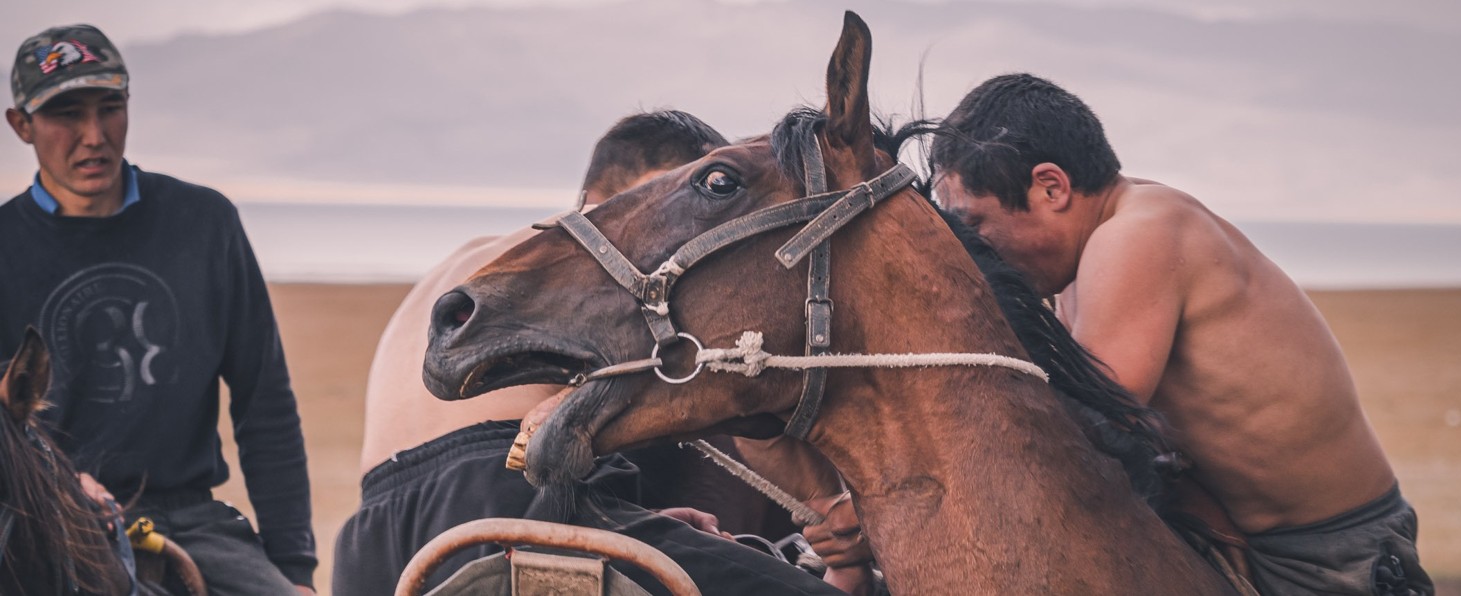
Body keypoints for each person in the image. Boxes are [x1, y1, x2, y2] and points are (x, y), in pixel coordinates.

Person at [925, 73, 1432, 595]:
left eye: (976, 224)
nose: (974, 247)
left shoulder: (1140, 235)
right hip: (1226, 533)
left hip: (1331, 554)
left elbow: (1093, 425)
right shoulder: (1082, 261)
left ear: (1051, 187)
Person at [333, 110, 835, 595]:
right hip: (503, 490)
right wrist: (829, 509)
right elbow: (740, 409)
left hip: (372, 535)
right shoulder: (621, 261)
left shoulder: (478, 257)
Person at [1, 24, 316, 594]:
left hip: (186, 520)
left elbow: (263, 403)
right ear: (21, 125)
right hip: (36, 518)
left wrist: (295, 570)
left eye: (109, 107)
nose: (93, 135)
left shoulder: (204, 224)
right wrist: (60, 487)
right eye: (66, 114)